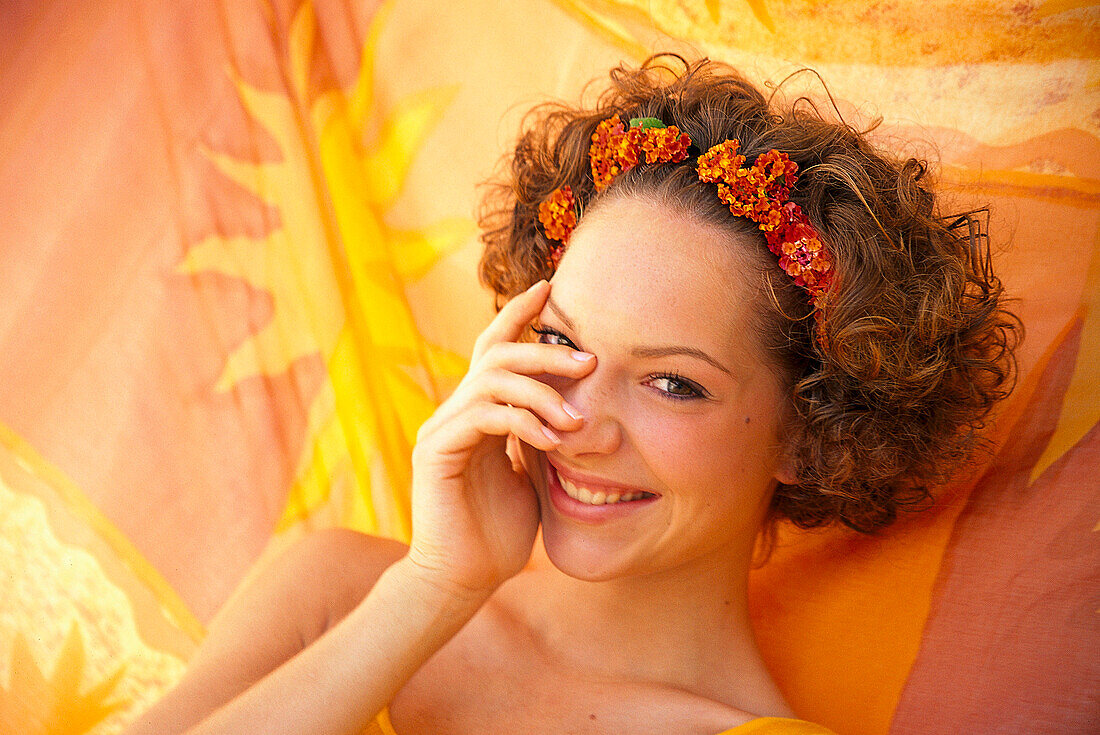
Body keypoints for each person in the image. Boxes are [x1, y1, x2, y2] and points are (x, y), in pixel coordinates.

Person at [123, 55, 1019, 735]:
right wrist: (432, 590)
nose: (577, 424)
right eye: (561, 343)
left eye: (673, 382)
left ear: (813, 429)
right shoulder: (337, 594)